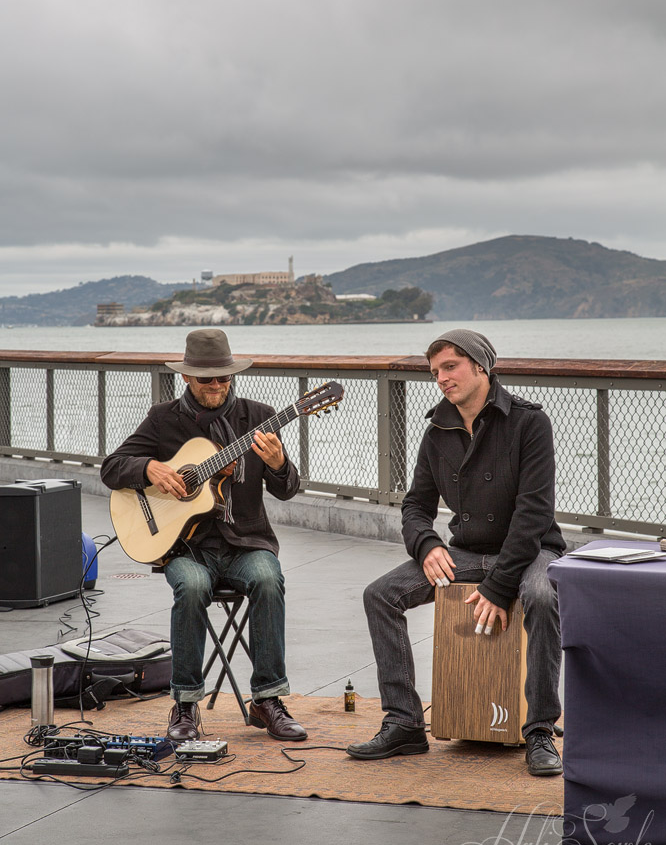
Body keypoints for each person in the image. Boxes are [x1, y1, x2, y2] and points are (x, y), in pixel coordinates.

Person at [347, 329, 565, 776]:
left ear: (480, 366)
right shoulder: (437, 431)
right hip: (465, 551)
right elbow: (415, 505)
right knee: (380, 594)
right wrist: (426, 545)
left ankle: (540, 729)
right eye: (435, 372)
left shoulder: (529, 422)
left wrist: (499, 586)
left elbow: (534, 513)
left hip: (530, 549)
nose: (442, 378)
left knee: (542, 597)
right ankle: (404, 723)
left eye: (450, 367)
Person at [100, 328, 307, 743]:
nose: (215, 386)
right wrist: (149, 469)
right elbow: (111, 467)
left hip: (246, 542)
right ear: (187, 378)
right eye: (205, 379)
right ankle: (186, 704)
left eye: (223, 378)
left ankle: (267, 699)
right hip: (184, 547)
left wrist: (281, 463)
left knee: (268, 579)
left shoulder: (259, 418)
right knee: (192, 586)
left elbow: (287, 489)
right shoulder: (163, 420)